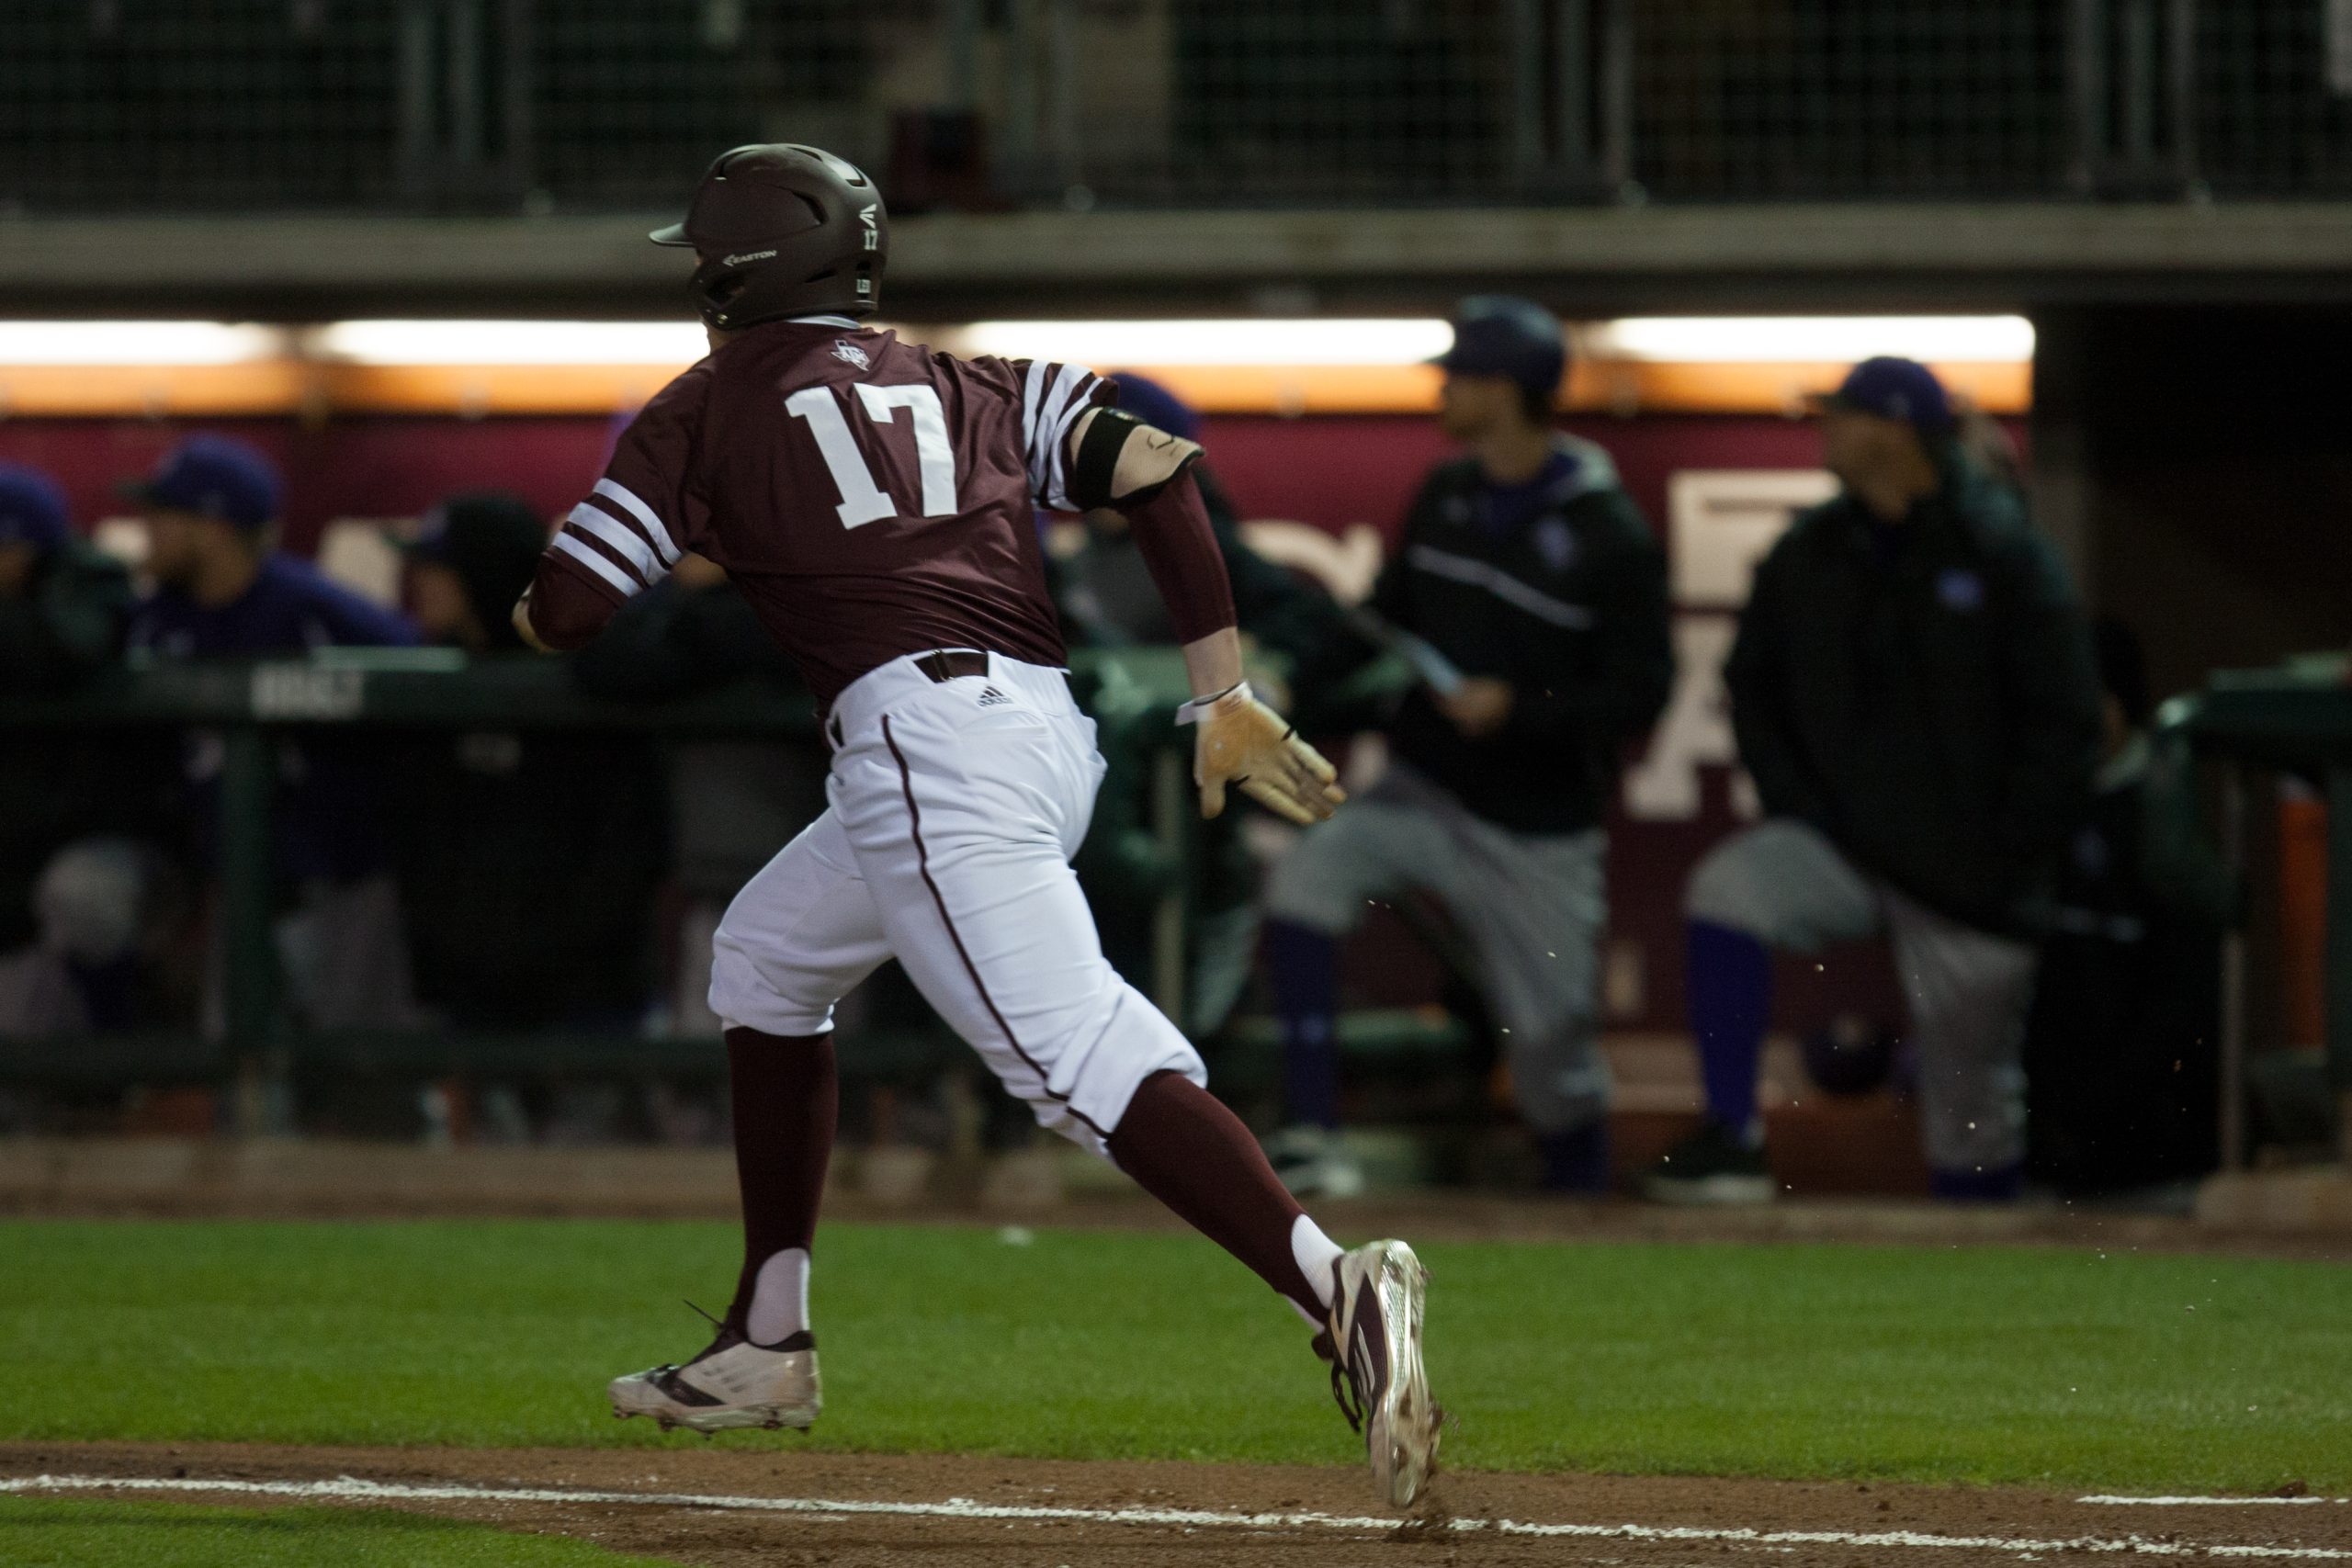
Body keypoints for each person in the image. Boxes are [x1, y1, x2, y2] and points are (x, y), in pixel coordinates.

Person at [511, 143, 1437, 1506]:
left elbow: (573, 611)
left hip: (921, 747)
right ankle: (768, 1337)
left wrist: (547, 598)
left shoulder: (705, 405)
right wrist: (1221, 689)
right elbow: (1155, 468)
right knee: (766, 960)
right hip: (1040, 733)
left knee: (1068, 1058)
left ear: (736, 269)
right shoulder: (974, 379)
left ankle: (1330, 1285)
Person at [1645, 357, 2102, 1205]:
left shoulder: (1999, 548)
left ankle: (1987, 1284)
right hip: (1847, 843)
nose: (1825, 430)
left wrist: (2012, 847)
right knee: (1730, 889)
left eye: (1843, 416)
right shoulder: (1813, 548)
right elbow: (1754, 685)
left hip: (1974, 871)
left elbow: (2068, 722)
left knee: (1973, 1119)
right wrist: (1799, 803)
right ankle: (1733, 1138)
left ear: (1894, 429)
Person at [1255, 296, 1674, 1197]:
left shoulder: (1607, 532)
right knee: (1307, 879)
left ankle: (1585, 1208)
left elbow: (1641, 692)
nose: (1444, 391)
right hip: (1425, 791)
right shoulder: (1446, 494)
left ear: (1507, 390)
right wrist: (1295, 677)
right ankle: (1313, 1133)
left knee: (1554, 1046)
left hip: (1536, 825)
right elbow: (1386, 619)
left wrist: (1521, 706)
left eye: (1462, 377)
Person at [125, 434, 424, 1034]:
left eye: (163, 514)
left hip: (341, 876)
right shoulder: (156, 617)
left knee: (356, 1068)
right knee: (240, 1060)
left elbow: (425, 688)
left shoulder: (313, 610)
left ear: (213, 526)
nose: (146, 529)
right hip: (225, 877)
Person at [389, 492, 668, 1034]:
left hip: (586, 997)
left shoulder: (592, 677)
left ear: (484, 571)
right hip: (467, 995)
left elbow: (628, 849)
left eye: (439, 567)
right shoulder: (426, 689)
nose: (419, 580)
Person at [2023, 617, 2228, 1200]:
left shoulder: (2163, 811)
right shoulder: (2038, 807)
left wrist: (2114, 1098)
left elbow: (2185, 997)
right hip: (2052, 1158)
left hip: (2158, 1160)